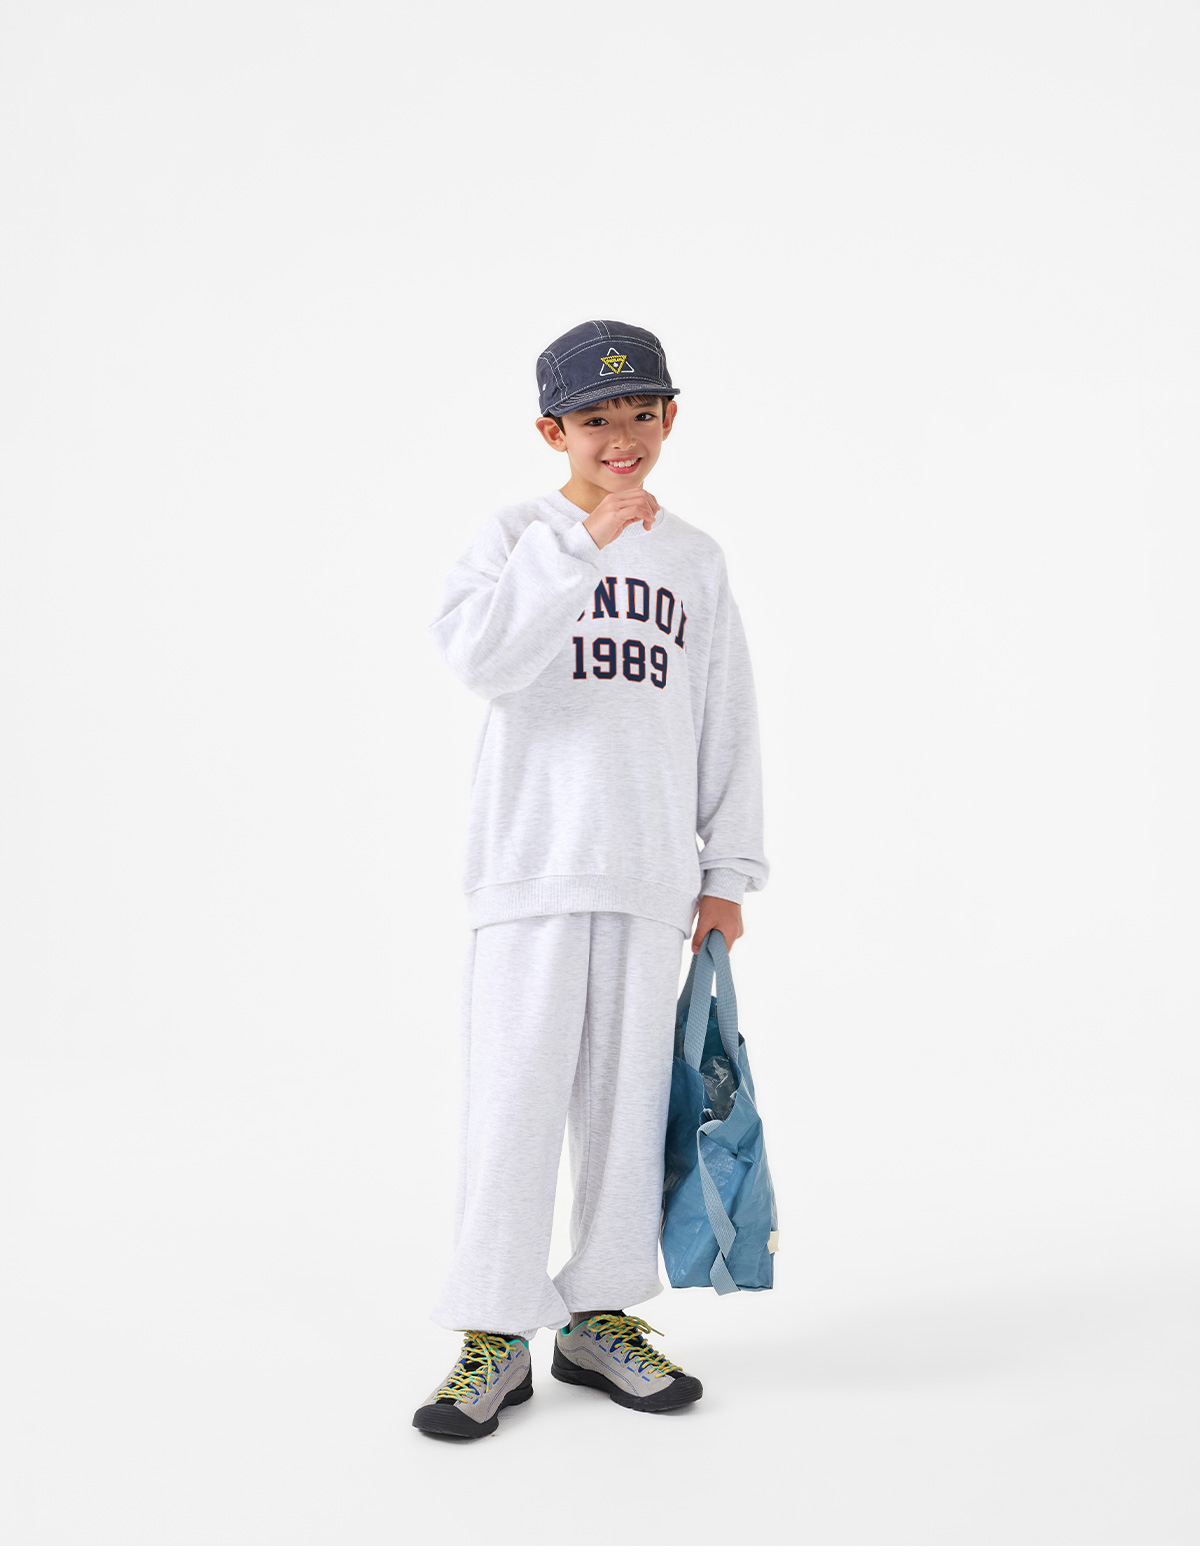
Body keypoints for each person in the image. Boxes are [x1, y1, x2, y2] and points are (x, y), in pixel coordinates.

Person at [412, 319, 769, 1438]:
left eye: (642, 414)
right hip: (530, 867)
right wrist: (580, 546)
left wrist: (728, 870)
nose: (623, 438)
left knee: (625, 1117)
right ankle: (494, 1331)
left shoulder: (695, 560)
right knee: (514, 1107)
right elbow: (481, 660)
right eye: (596, 420)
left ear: (671, 417)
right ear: (550, 432)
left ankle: (599, 1316)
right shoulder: (518, 537)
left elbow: (725, 717)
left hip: (651, 875)